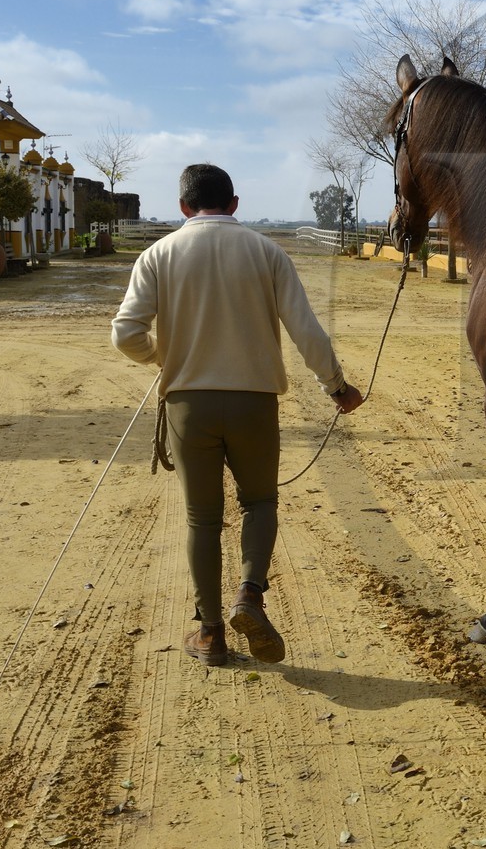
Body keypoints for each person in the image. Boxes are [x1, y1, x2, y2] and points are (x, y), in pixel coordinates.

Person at [112, 164, 364, 666]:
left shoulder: (157, 254)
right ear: (234, 204)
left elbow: (125, 333)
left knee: (202, 520)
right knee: (260, 502)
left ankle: (209, 634)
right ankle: (249, 594)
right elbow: (307, 332)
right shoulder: (267, 252)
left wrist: (163, 356)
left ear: (184, 207)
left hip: (189, 404)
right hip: (254, 402)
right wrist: (337, 386)